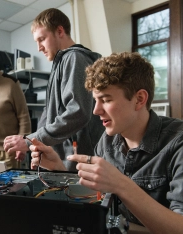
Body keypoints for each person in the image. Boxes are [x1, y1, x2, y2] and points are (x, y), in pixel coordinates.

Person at [29, 52, 183, 234]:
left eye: (106, 100)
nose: (95, 110)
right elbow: (96, 198)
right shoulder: (107, 141)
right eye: (95, 100)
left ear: (140, 99)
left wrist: (121, 185)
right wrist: (59, 170)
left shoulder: (177, 143)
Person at [4, 8, 104, 171]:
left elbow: (78, 112)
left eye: (42, 39)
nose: (39, 48)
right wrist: (31, 143)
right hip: (59, 161)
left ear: (59, 31)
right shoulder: (60, 63)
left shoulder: (75, 59)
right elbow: (48, 113)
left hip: (76, 163)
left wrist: (29, 140)